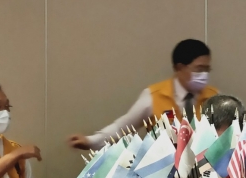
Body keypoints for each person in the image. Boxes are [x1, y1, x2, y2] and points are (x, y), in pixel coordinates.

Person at [68, 39, 219, 150]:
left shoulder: (216, 99)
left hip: (205, 176)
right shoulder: (153, 96)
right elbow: (122, 128)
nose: (204, 75)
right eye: (199, 69)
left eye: (207, 69)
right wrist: (91, 141)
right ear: (179, 68)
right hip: (164, 177)